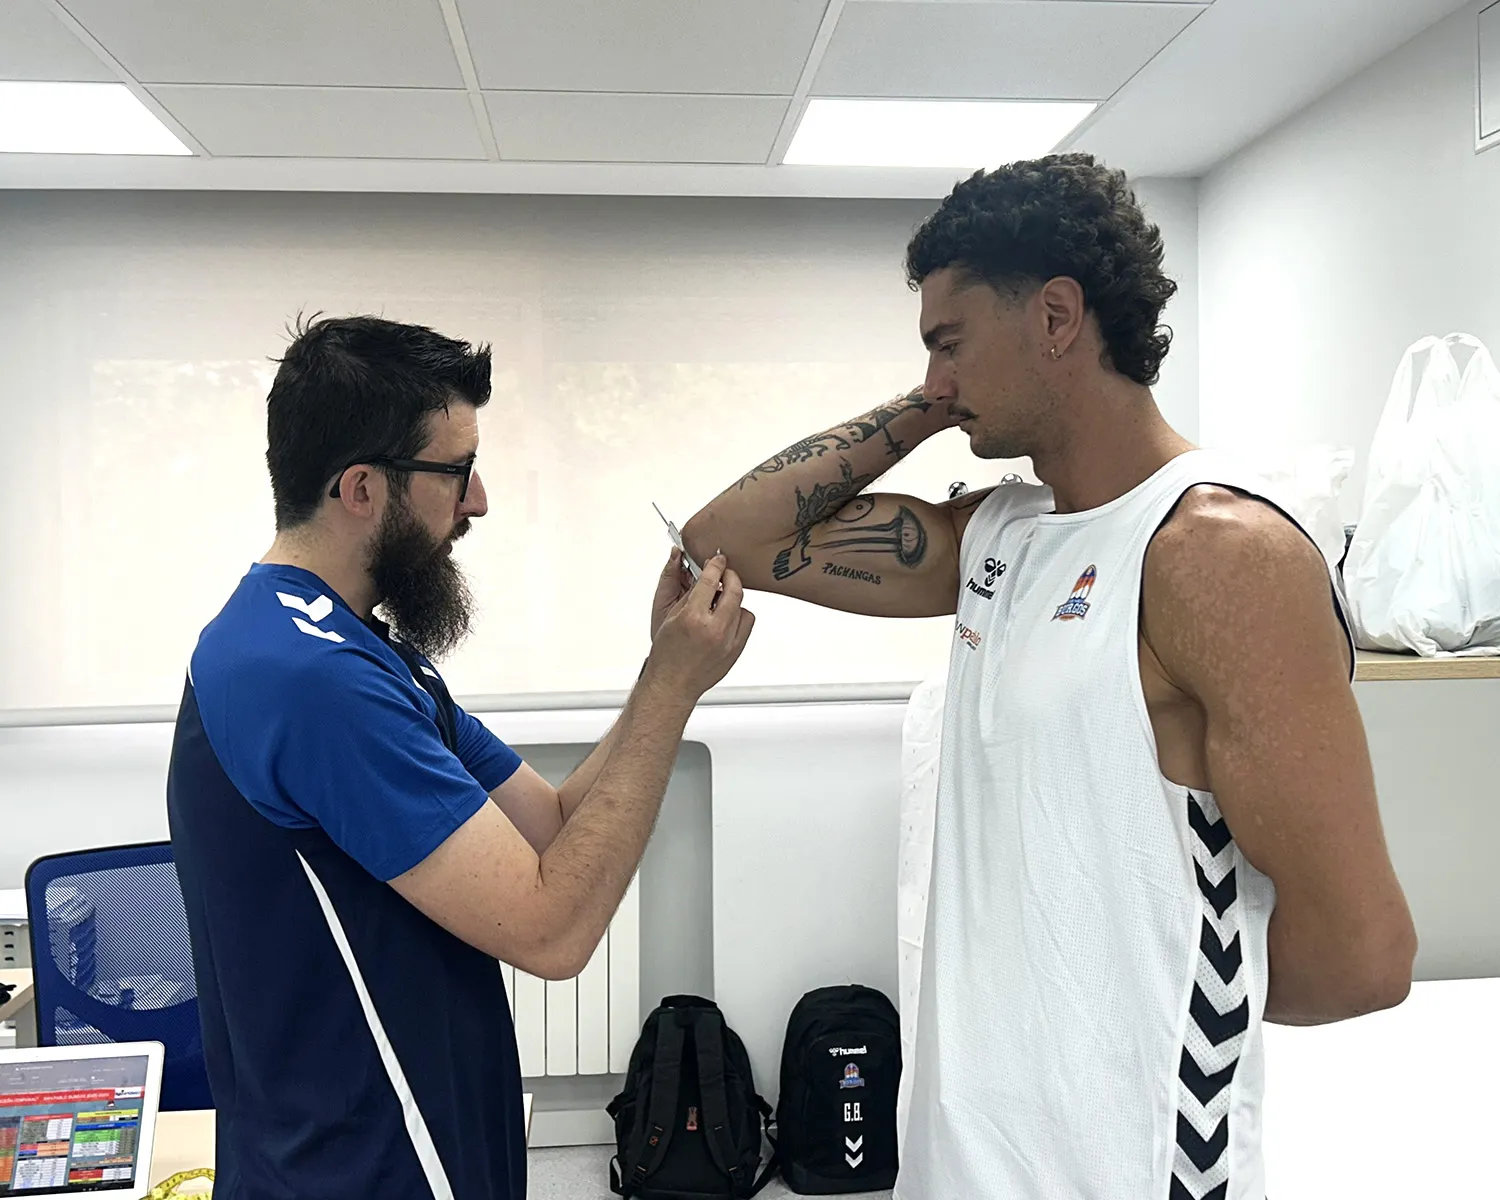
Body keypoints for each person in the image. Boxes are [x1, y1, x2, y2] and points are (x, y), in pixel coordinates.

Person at [682, 154, 1416, 1200]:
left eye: (949, 341)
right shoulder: (1001, 534)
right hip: (965, 1154)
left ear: (1058, 317)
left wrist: (1134, 1023)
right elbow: (729, 538)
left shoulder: (1214, 553)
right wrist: (933, 402)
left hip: (1123, 1167)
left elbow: (1363, 952)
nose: (935, 377)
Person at [166, 315, 753, 1199]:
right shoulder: (309, 678)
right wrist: (672, 693)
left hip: (414, 1144)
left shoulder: (348, 648)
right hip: (367, 1170)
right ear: (362, 488)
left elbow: (552, 825)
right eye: (456, 470)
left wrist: (661, 670)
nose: (477, 501)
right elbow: (554, 932)